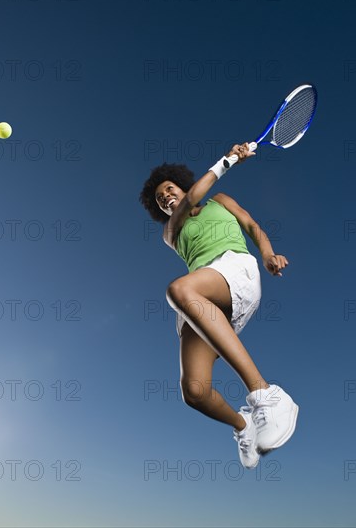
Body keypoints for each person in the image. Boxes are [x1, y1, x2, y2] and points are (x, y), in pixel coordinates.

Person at [139, 143, 299, 469]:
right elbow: (186, 203)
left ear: (182, 185)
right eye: (160, 199)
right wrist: (227, 161)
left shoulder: (220, 201)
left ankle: (266, 394)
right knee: (194, 391)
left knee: (178, 289)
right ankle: (245, 427)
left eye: (169, 189)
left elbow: (252, 226)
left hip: (234, 270)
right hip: (201, 297)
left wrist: (267, 254)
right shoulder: (172, 231)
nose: (166, 197)